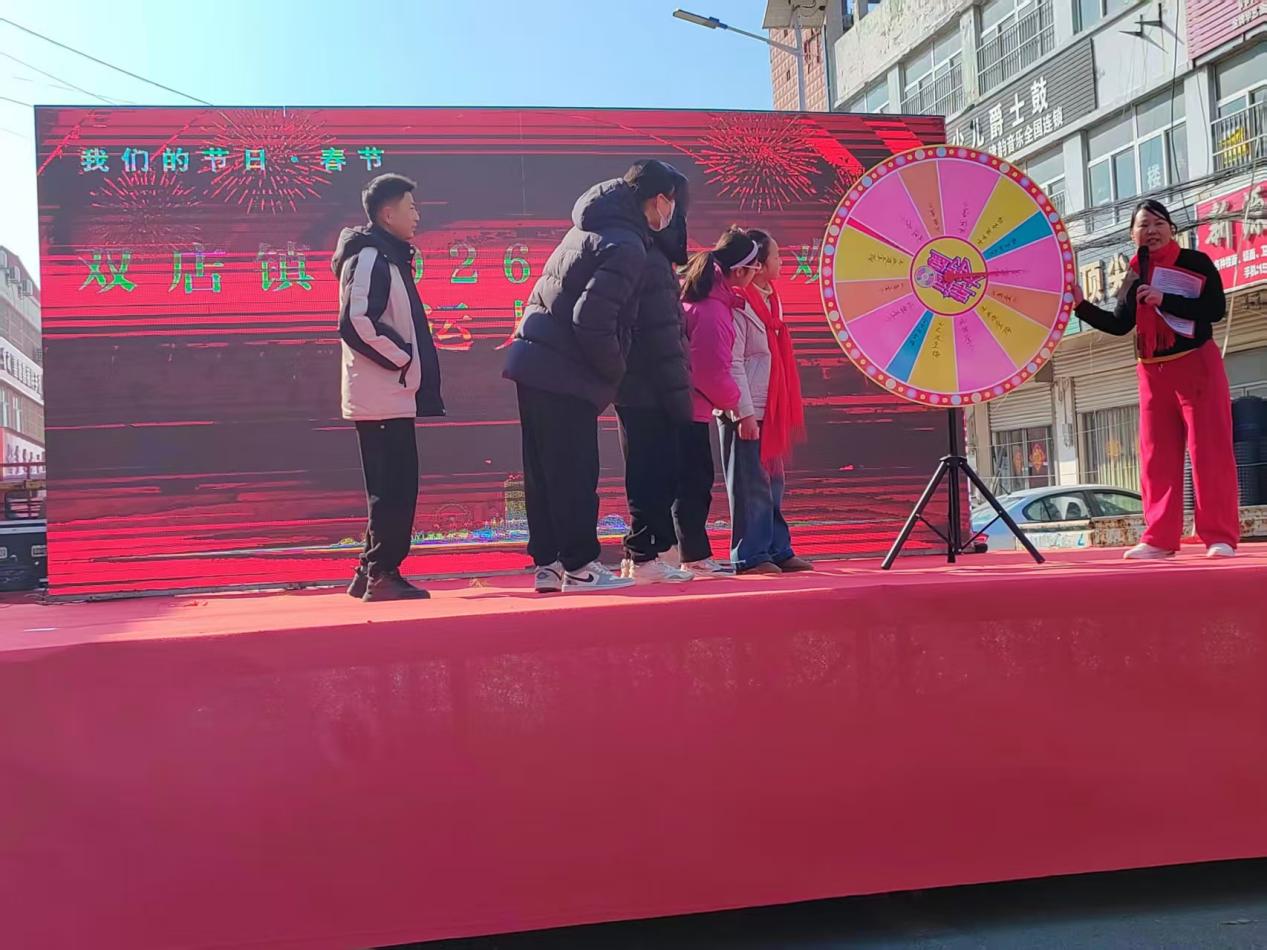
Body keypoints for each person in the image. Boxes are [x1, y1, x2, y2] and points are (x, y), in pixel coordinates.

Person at [504, 160, 683, 593]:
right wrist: (613, 370)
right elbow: (592, 319)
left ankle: (548, 566)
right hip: (564, 369)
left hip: (534, 360)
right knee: (573, 470)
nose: (672, 213)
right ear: (659, 199)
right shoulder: (627, 243)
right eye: (671, 203)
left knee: (543, 472)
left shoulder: (592, 225)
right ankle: (581, 566)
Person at [1073, 198, 1238, 560]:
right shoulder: (1135, 272)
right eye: (1143, 225)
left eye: (1159, 223)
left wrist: (1165, 298)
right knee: (1155, 457)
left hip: (1196, 366)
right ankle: (1159, 538)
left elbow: (1215, 310)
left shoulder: (1196, 262)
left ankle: (1219, 536)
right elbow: (1120, 325)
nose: (1151, 231)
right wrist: (1080, 305)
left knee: (1209, 453)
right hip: (1151, 371)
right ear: (1132, 235)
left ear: (1171, 229)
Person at [332, 173, 445, 602]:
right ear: (386, 213)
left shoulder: (388, 256)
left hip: (391, 394)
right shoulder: (370, 258)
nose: (417, 215)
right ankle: (383, 573)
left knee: (394, 488)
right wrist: (403, 358)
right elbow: (356, 322)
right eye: (410, 207)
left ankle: (369, 571)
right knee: (392, 490)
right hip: (380, 395)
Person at [613, 170, 698, 584]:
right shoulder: (640, 251)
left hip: (653, 380)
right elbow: (651, 328)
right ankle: (644, 555)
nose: (676, 212)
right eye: (672, 201)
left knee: (655, 470)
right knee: (648, 472)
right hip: (644, 382)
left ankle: (644, 554)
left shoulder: (654, 253)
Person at [727, 227, 813, 575]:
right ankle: (750, 555)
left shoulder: (772, 299)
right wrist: (743, 412)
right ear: (758, 265)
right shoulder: (738, 302)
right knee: (752, 485)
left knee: (774, 482)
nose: (782, 261)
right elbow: (732, 362)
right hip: (747, 406)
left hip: (772, 406)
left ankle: (777, 549)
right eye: (776, 256)